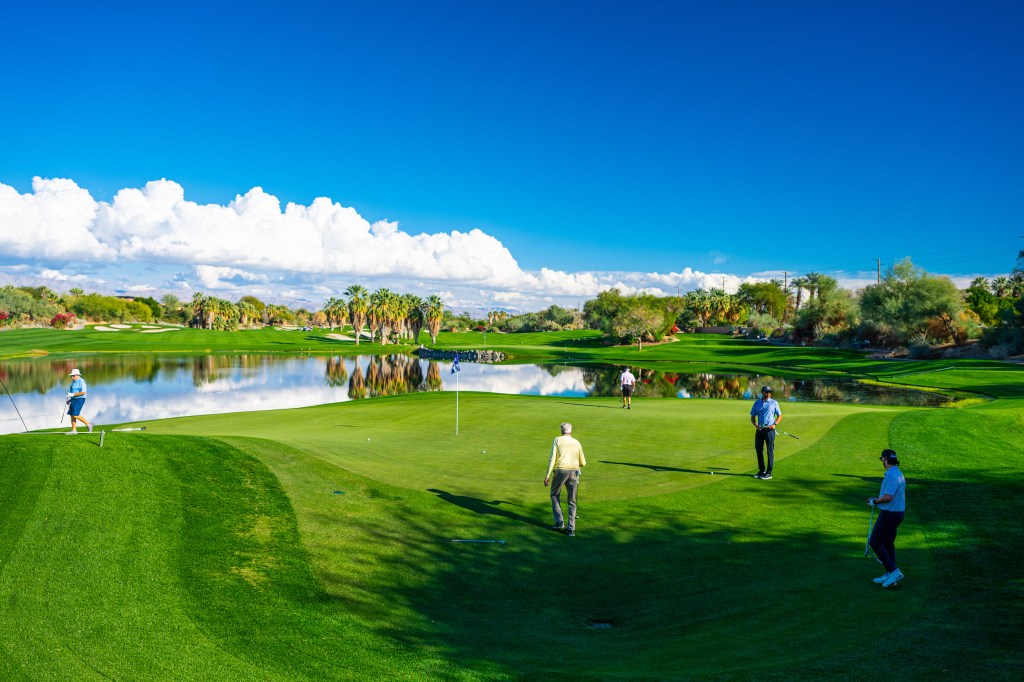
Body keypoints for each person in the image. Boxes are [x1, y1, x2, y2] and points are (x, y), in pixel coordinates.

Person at [867, 449, 907, 588]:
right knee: (887, 543)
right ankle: (890, 573)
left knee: (875, 541)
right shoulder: (897, 473)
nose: (882, 462)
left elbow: (888, 497)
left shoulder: (892, 474)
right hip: (896, 513)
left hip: (889, 514)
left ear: (885, 460)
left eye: (882, 459)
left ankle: (893, 571)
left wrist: (875, 501)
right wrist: (876, 499)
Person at [544, 422, 586, 536]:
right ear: (571, 431)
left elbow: (552, 458)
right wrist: (577, 466)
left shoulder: (557, 439)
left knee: (554, 495)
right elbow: (583, 462)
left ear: (561, 431)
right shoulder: (576, 442)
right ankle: (571, 529)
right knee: (572, 500)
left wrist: (547, 475)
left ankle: (559, 522)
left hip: (561, 471)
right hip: (574, 472)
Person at [749, 385, 781, 479]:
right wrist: (756, 426)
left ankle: (769, 472)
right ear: (762, 392)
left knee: (769, 450)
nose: (768, 394)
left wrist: (775, 424)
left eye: (769, 392)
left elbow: (779, 415)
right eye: (766, 392)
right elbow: (752, 418)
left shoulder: (774, 403)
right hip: (760, 430)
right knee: (758, 449)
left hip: (769, 430)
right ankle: (761, 470)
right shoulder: (757, 403)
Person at [65, 368, 92, 434]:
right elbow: (74, 392)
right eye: (71, 376)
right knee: (72, 414)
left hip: (80, 399)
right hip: (74, 399)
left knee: (75, 415)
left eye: (73, 375)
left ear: (77, 375)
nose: (72, 377)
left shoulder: (81, 381)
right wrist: (70, 399)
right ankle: (74, 430)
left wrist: (72, 394)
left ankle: (89, 424)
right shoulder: (74, 382)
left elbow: (83, 392)